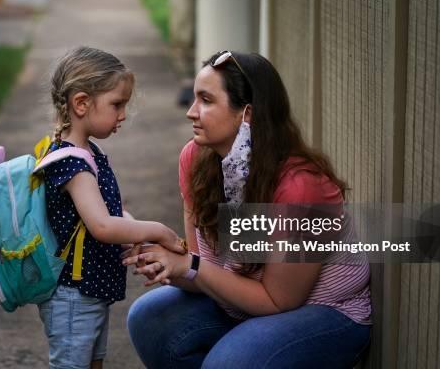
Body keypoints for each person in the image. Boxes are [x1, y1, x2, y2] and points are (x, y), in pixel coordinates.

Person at [123, 51, 372, 368]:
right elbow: (202, 271)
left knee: (229, 363)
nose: (191, 112)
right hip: (242, 304)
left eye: (206, 100)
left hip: (323, 311)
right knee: (150, 319)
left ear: (247, 114)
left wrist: (191, 265)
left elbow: (278, 301)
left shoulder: (301, 187)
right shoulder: (196, 158)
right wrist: (165, 259)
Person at [37, 46, 186, 369]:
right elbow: (102, 226)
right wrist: (157, 230)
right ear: (81, 103)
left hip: (88, 290)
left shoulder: (85, 151)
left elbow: (109, 215)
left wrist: (133, 233)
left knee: (94, 363)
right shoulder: (73, 164)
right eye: (117, 104)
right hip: (74, 295)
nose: (122, 115)